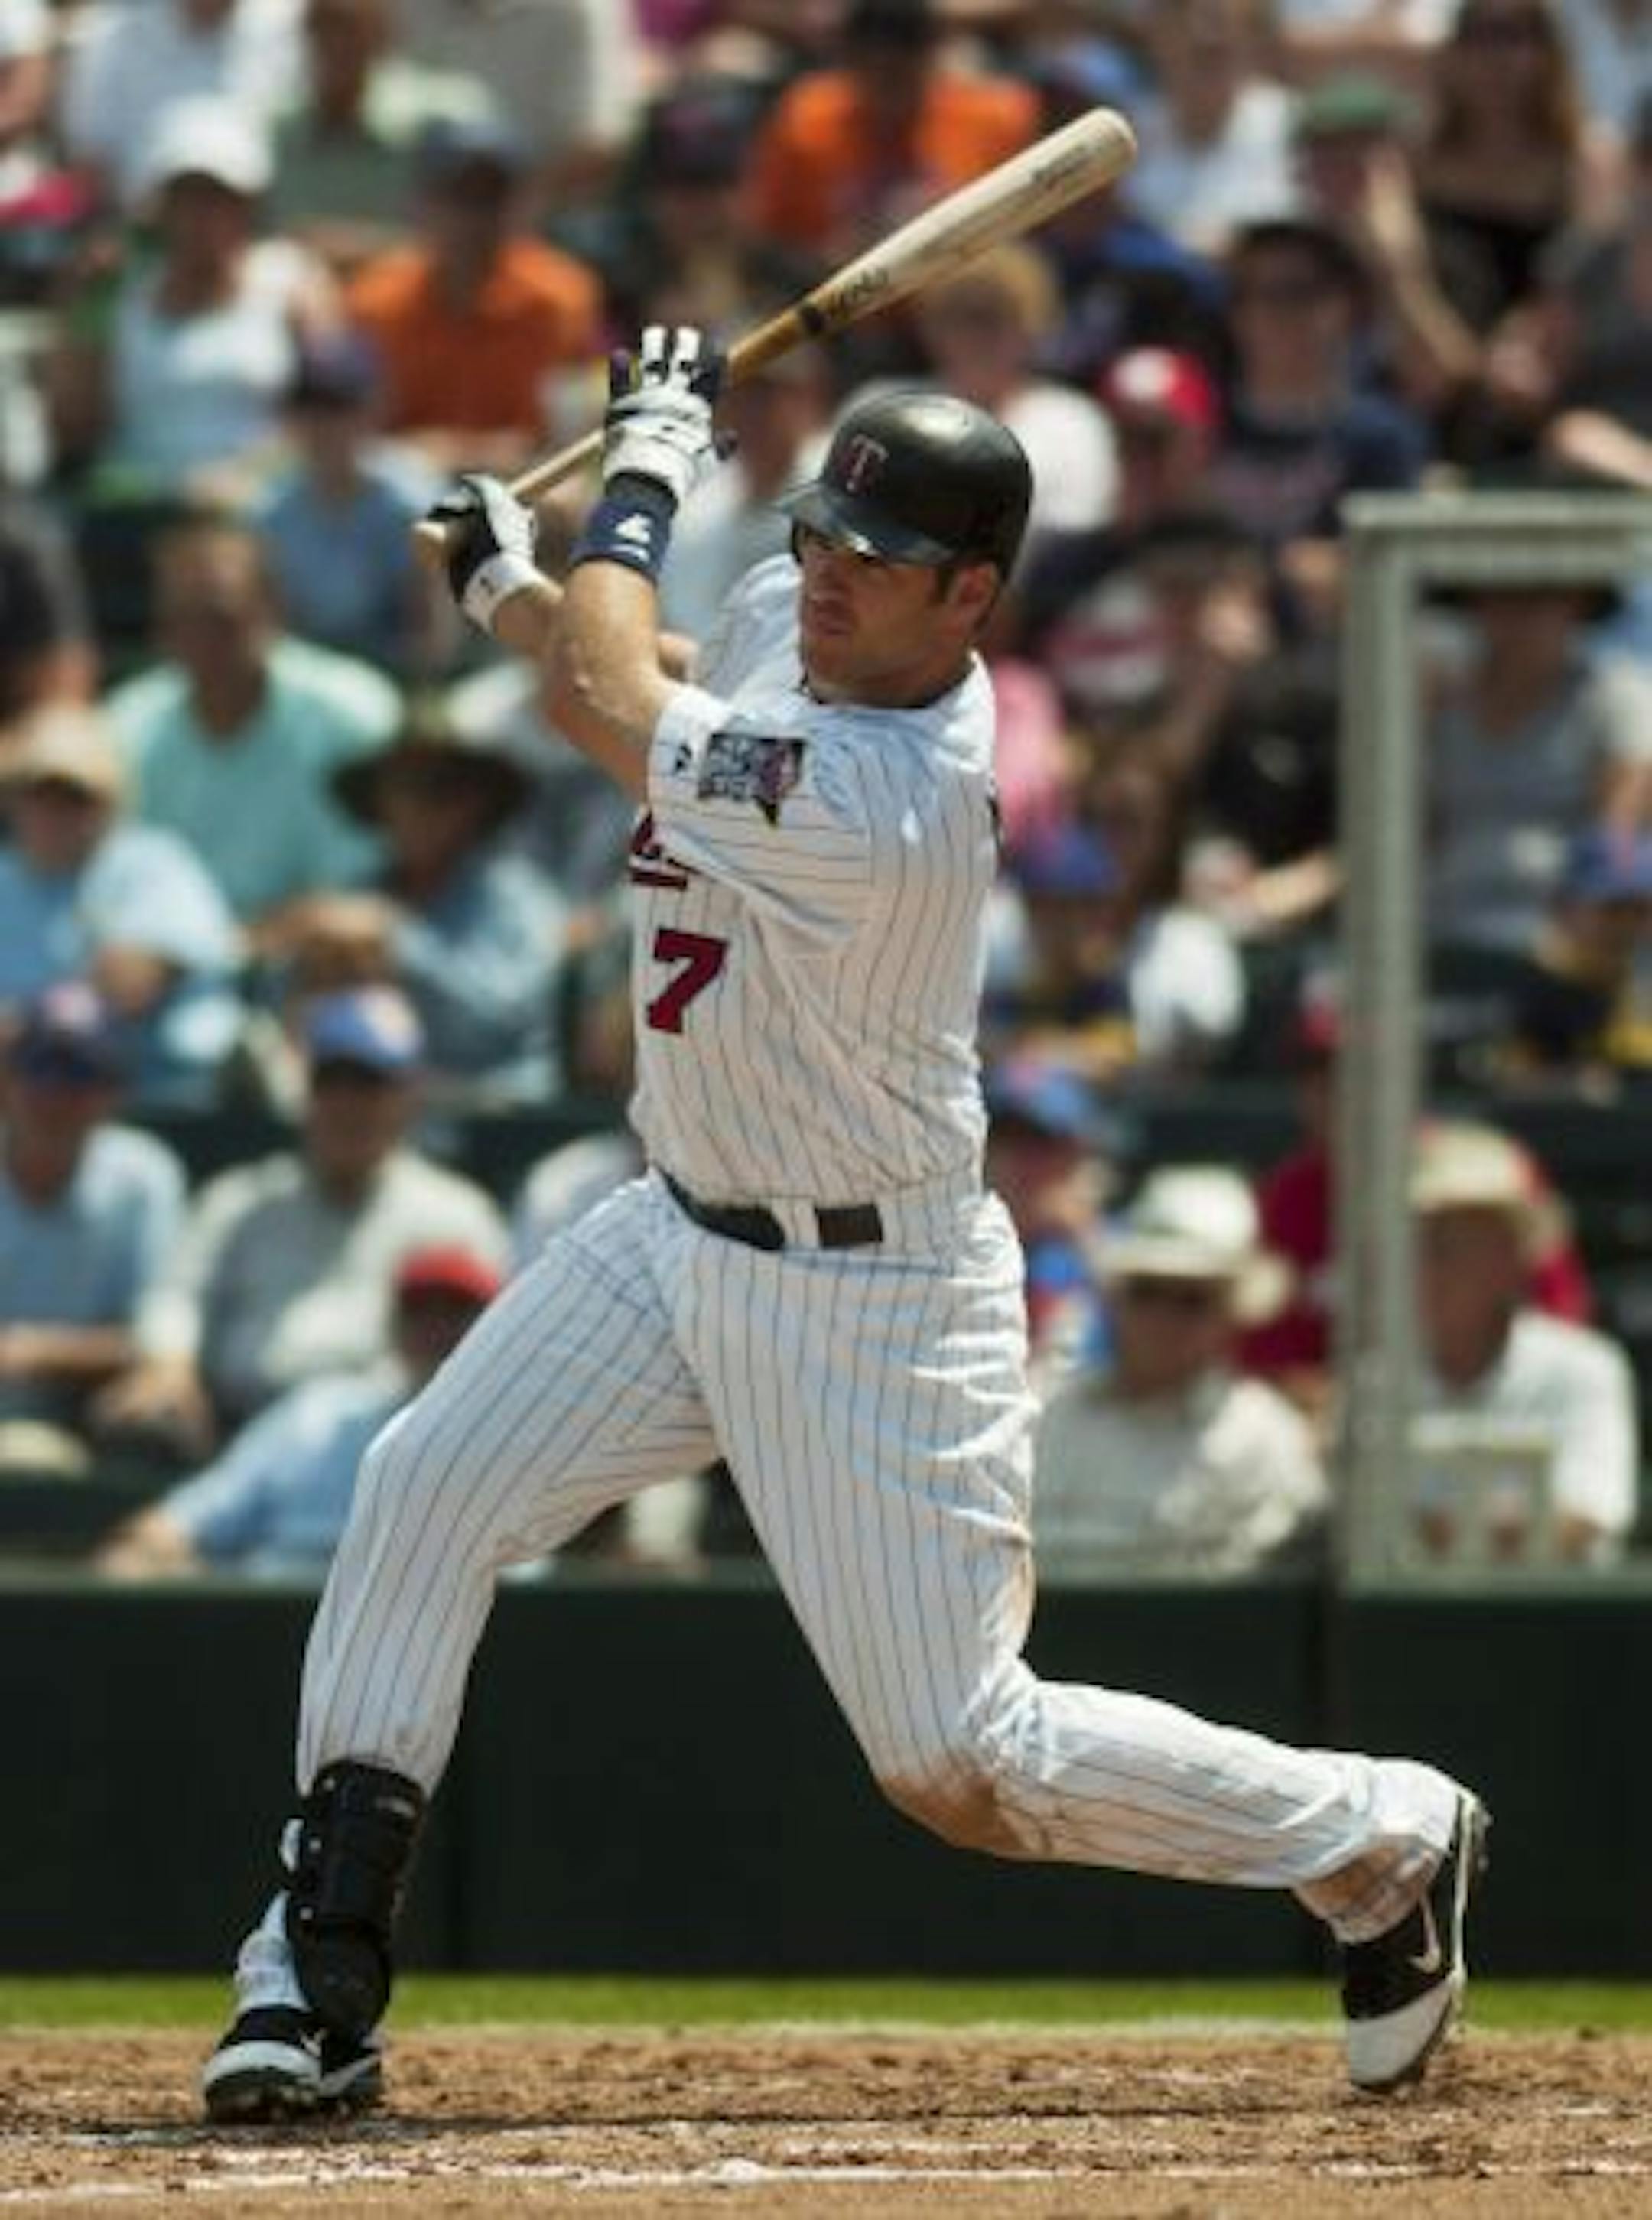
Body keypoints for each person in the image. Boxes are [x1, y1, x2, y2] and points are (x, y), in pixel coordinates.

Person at [198, 336, 1486, 2125]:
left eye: (877, 562)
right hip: (674, 1224)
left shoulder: (896, 795)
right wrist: (512, 586)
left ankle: (1379, 1833)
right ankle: (314, 1967)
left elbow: (614, 706)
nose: (824, 574)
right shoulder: (787, 623)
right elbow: (638, 679)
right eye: (817, 536)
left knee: (961, 1758)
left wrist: (640, 469)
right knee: (422, 1487)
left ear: (970, 597)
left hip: (870, 1288)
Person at [97, 983, 507, 1460]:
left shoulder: (457, 1215)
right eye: (332, 1082)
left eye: (369, 1084)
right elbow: (175, 1296)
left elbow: (492, 1354)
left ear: (407, 1097)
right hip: (240, 1436)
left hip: (389, 1447)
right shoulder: (241, 1201)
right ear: (305, 1091)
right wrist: (171, 1363)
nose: (348, 1104)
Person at [96, 1243, 503, 1581]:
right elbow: (188, 1518)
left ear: (493, 1328)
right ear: (394, 1325)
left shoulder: (516, 1440)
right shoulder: (320, 1413)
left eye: (456, 1314)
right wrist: (147, 1549)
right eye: (421, 1313)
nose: (437, 1330)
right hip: (280, 1621)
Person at [1032, 1165, 1328, 1579]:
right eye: (1147, 1291)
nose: (1162, 1318)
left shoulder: (1265, 1440)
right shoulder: (1043, 1414)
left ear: (1231, 1313)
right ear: (1116, 1298)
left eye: (1192, 1300)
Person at [1410, 1119, 1638, 1563]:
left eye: (1452, 1245)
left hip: (1559, 1609)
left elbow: (1587, 1518)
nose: (1430, 1267)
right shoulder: (1375, 1378)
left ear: (1514, 1260)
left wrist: (1428, 1525)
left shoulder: (1584, 1368)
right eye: (1422, 1244)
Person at [0, 704, 244, 1107]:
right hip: (25, 1107)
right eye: (38, 794)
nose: (54, 812)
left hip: (163, 1099)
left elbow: (130, 984)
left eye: (74, 797)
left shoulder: (152, 863)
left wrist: (22, 1028)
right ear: (11, 801)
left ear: (112, 803)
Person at [0, 981, 187, 1476]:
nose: (57, 1093)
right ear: (7, 1078)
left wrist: (34, 1352)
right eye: (41, 1066)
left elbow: (154, 1331)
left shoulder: (142, 1177)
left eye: (80, 1072)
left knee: (153, 1422)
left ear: (112, 1092)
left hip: (77, 1424)